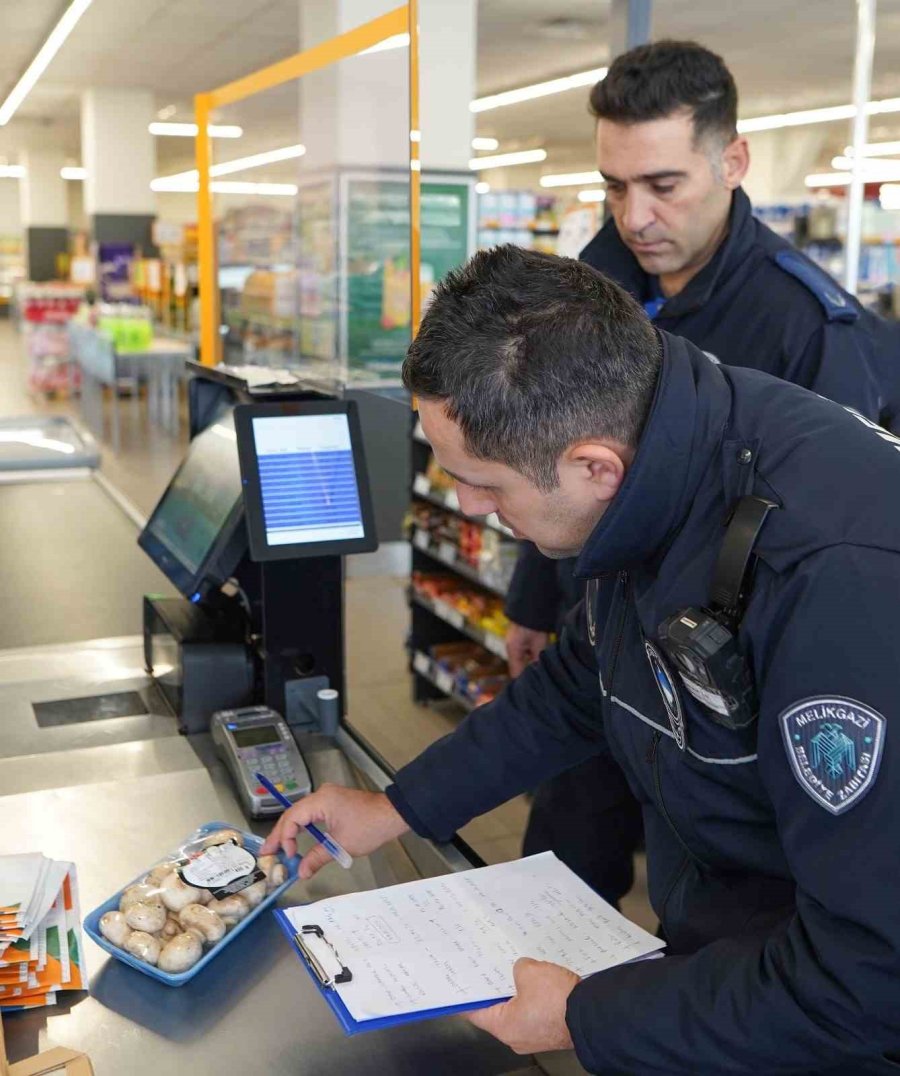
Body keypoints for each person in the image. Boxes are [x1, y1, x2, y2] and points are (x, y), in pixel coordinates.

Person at [264, 247, 900, 1074]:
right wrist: (400, 807)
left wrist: (586, 1016)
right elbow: (580, 680)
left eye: (484, 485)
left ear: (595, 467)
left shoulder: (832, 577)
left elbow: (867, 976)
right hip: (732, 954)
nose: (468, 507)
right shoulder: (657, 451)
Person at [505, 39, 900, 904]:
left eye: (663, 184)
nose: (635, 214)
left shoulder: (807, 328)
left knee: (704, 907)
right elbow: (548, 456)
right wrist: (535, 600)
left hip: (722, 682)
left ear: (733, 160)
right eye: (614, 186)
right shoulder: (589, 282)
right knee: (558, 870)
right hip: (598, 636)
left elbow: (841, 549)